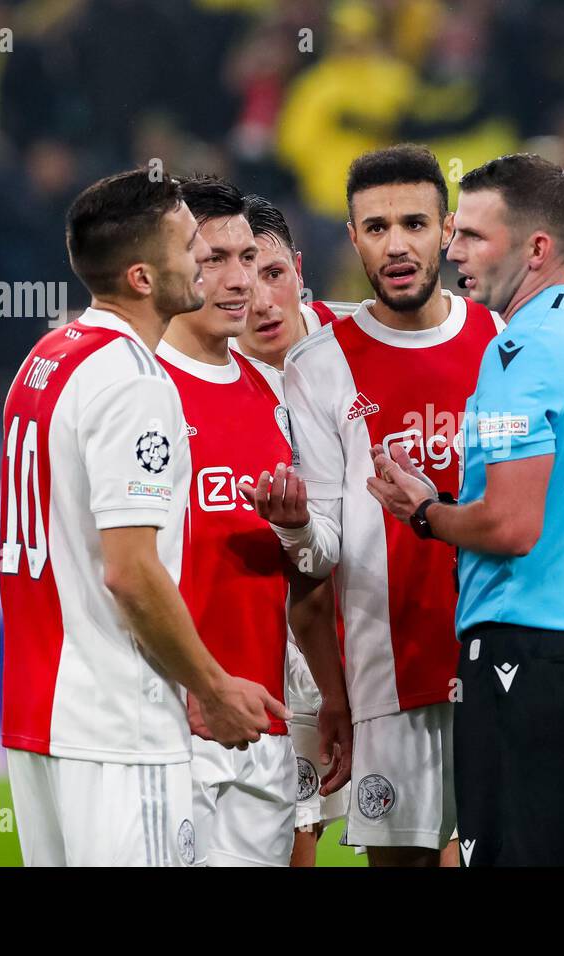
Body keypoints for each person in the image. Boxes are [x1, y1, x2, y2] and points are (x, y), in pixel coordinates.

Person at [365, 153, 564, 866]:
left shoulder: (518, 354)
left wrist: (428, 511)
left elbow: (509, 525)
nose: (453, 251)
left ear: (537, 249)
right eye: (456, 233)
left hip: (525, 658)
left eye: (474, 238)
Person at [0, 170, 284, 867]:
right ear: (142, 276)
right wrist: (212, 688)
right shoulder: (133, 380)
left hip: (40, 720)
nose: (203, 262)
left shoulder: (46, 360)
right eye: (191, 248)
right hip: (118, 727)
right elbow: (130, 572)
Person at [245, 144, 500, 866]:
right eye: (377, 227)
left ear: (446, 232)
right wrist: (295, 526)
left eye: (414, 223)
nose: (397, 243)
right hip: (390, 673)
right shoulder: (320, 365)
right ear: (353, 238)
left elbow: (551, 502)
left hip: (501, 655)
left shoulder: (500, 340)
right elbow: (322, 548)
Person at [154, 175, 347, 866]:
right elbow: (108, 571)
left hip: (262, 728)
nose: (240, 283)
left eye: (253, 261)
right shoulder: (131, 386)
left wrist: (296, 528)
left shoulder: (274, 390)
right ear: (171, 266)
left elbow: (312, 561)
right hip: (165, 728)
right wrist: (193, 683)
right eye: (217, 260)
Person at [229, 191, 353, 865]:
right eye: (243, 284)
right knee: (291, 842)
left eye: (274, 275)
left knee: (433, 840)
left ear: (299, 268)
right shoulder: (207, 379)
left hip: (381, 640)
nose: (263, 302)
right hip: (279, 654)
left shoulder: (360, 346)